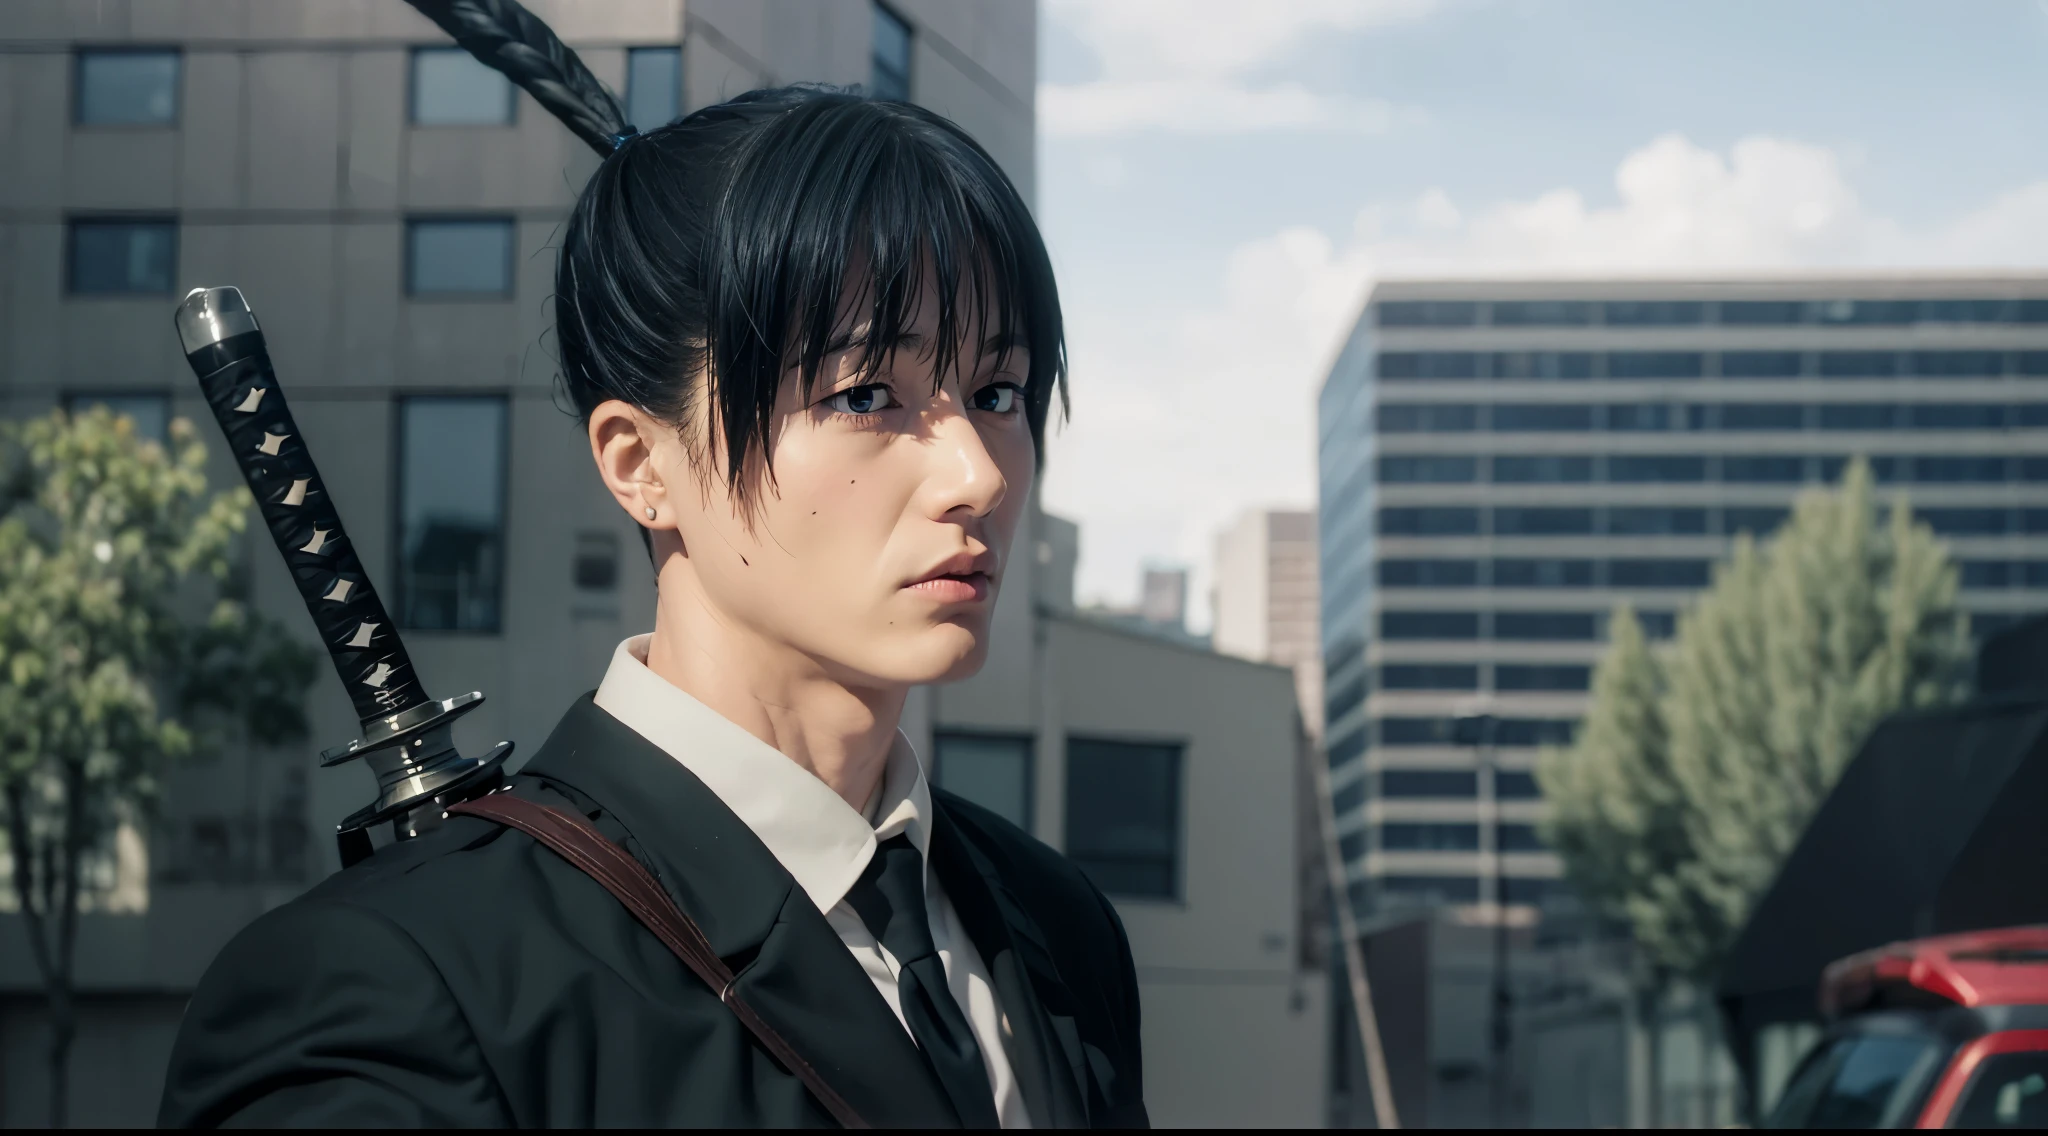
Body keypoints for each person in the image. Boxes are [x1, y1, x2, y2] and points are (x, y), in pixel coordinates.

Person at [156, 2, 1146, 1128]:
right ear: (641, 464)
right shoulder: (396, 992)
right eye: (866, 394)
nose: (974, 469)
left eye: (997, 391)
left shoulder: (1054, 926)